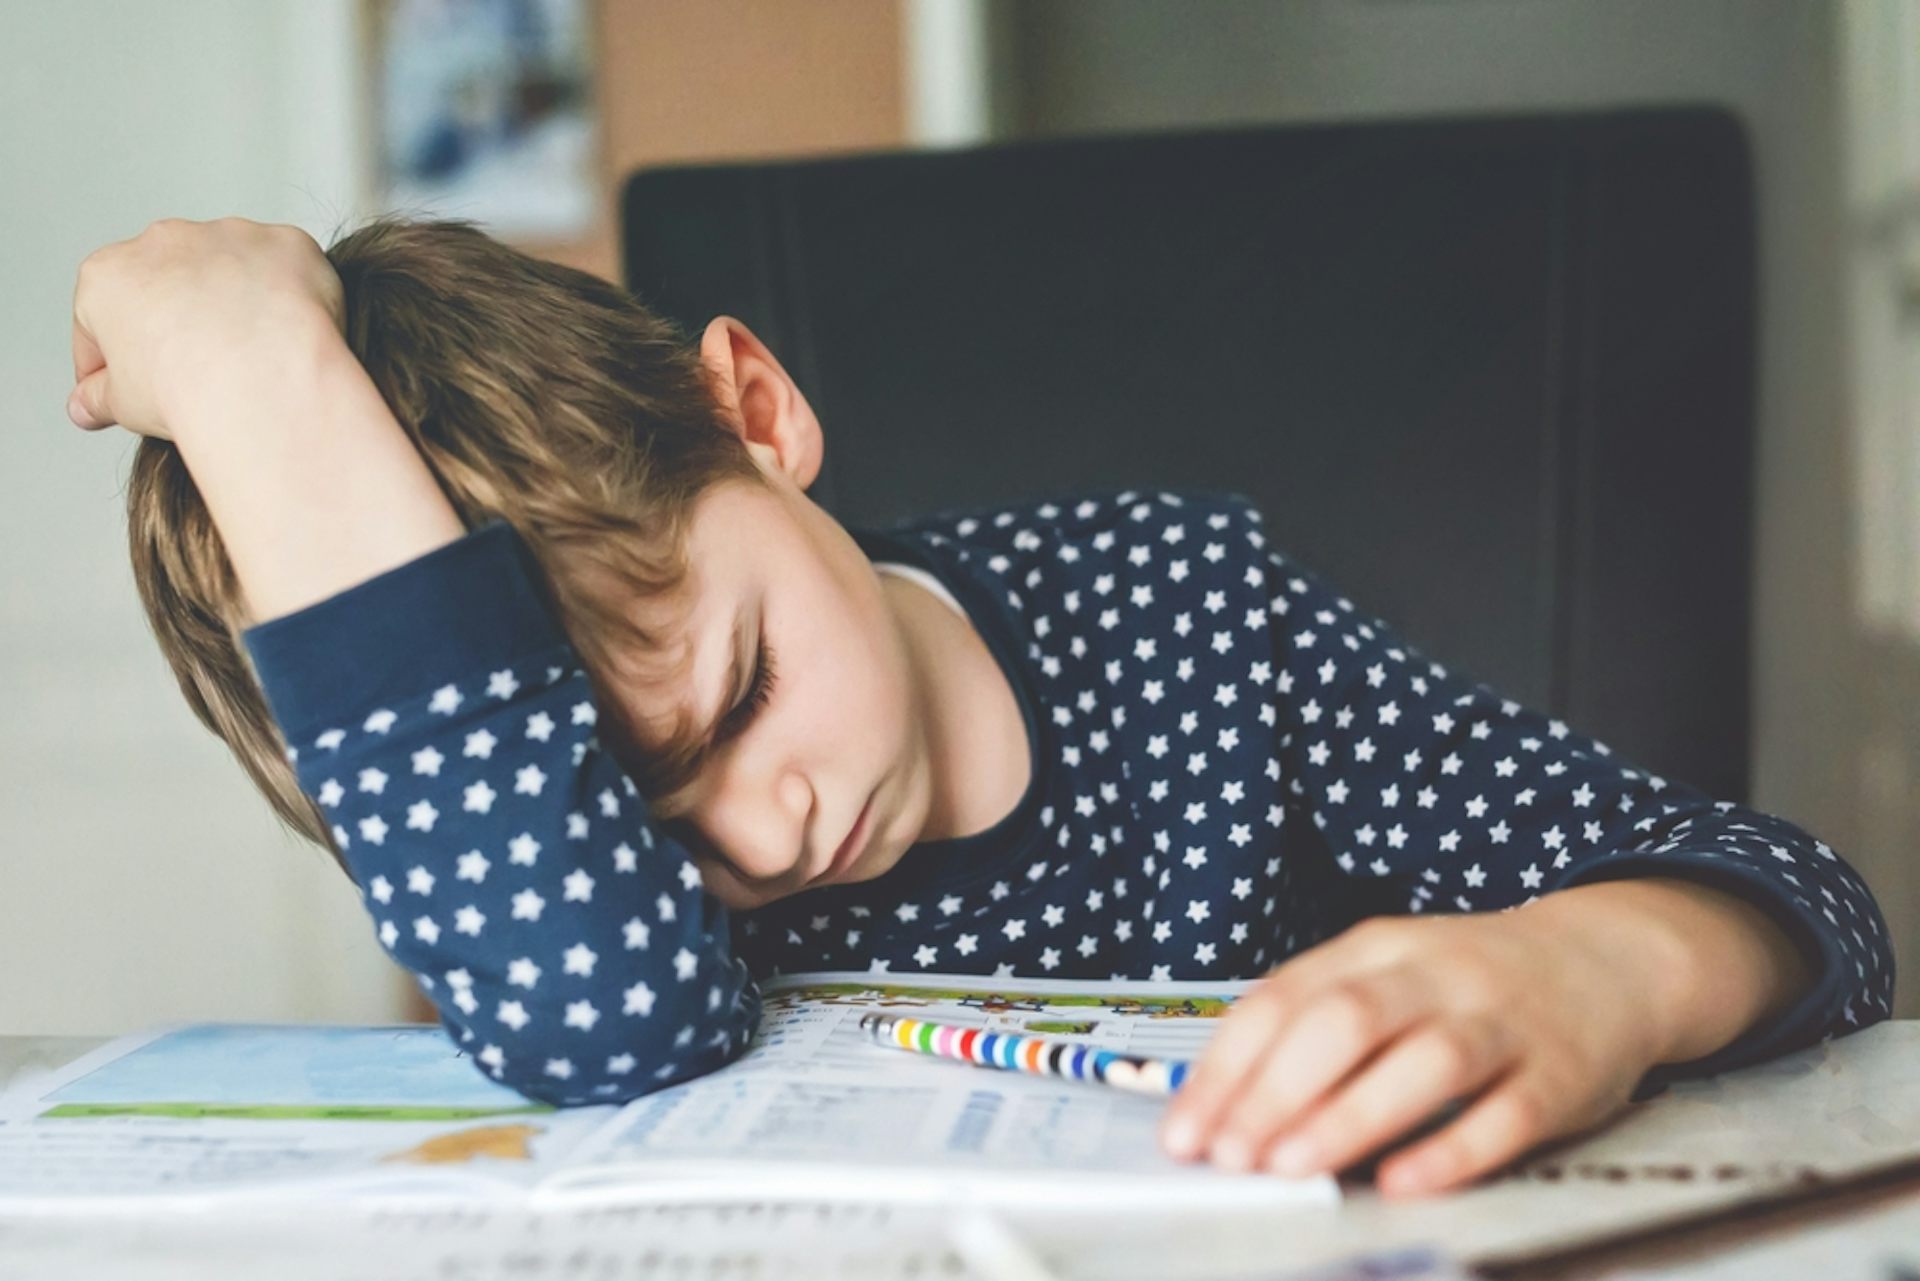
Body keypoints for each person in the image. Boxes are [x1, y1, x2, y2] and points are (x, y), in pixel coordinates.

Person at [69, 216, 1894, 1199]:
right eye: (634, 828)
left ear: (758, 415)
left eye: (747, 697)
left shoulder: (1182, 618)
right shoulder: (598, 916)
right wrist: (248, 369)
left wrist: (1596, 966)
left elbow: (1787, 885)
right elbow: (592, 1012)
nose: (762, 841)